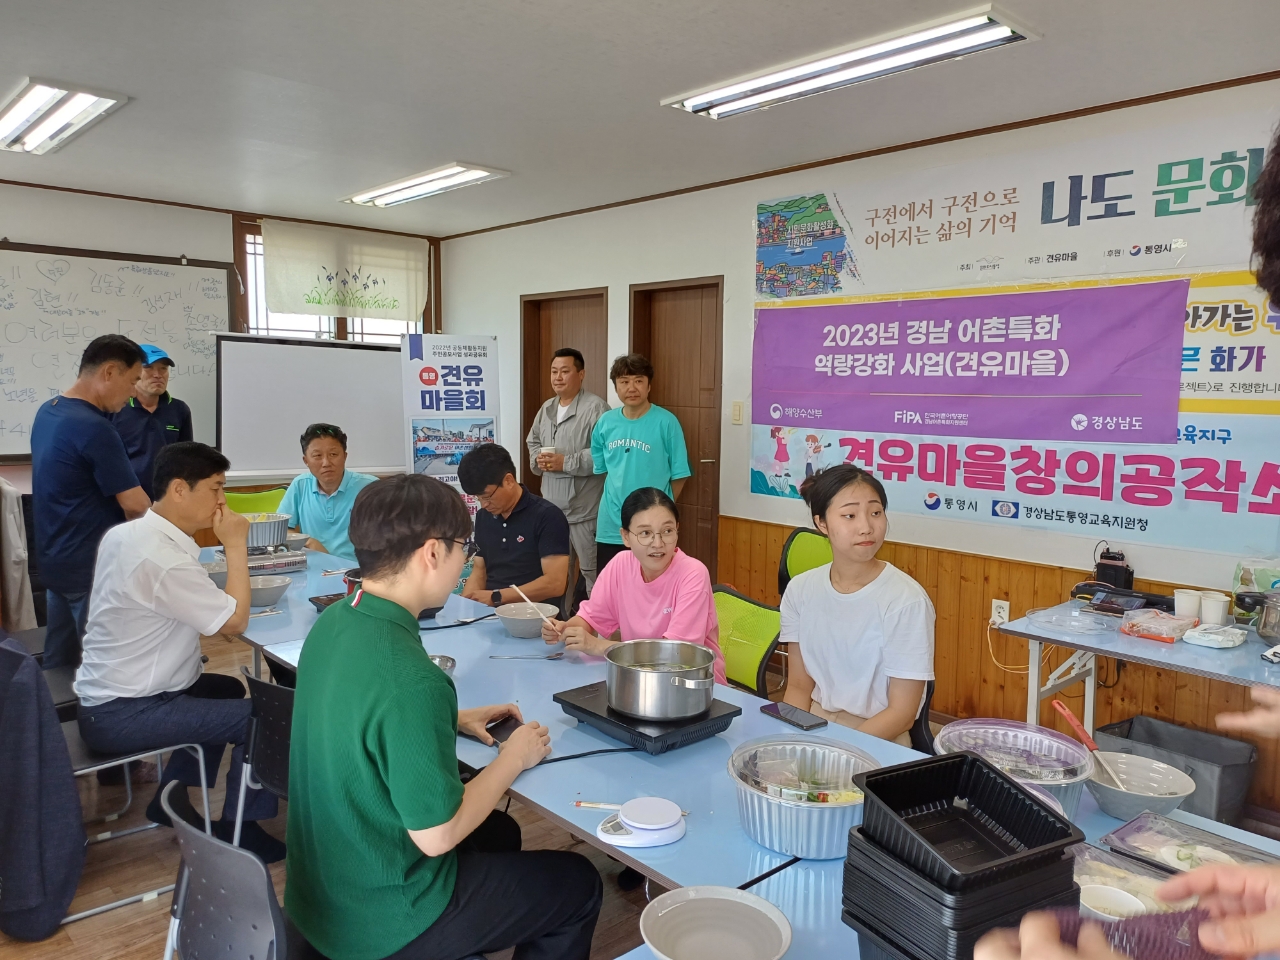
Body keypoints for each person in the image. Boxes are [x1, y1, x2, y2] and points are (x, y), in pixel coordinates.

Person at [285, 473, 602, 960]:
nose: (466, 560)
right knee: (578, 883)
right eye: (463, 546)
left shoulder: (335, 621)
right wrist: (513, 758)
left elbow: (356, 710)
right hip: (384, 916)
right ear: (432, 552)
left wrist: (450, 719)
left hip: (319, 894)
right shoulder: (413, 681)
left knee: (500, 832)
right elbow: (438, 837)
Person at [73, 442, 284, 861]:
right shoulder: (162, 559)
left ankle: (170, 797)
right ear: (179, 490)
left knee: (223, 689)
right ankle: (241, 828)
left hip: (107, 697)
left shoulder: (128, 533)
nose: (223, 502)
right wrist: (237, 545)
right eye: (216, 489)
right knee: (264, 717)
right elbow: (234, 625)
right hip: (125, 712)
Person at [779, 464, 934, 746]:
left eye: (876, 513)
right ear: (822, 523)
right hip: (814, 726)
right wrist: (787, 744)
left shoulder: (906, 600)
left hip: (879, 739)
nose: (866, 527)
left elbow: (901, 714)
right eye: (849, 515)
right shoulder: (800, 590)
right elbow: (800, 687)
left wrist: (837, 753)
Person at [32, 334, 151, 669]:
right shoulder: (94, 428)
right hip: (91, 571)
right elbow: (136, 504)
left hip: (56, 564)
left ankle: (48, 721)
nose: (133, 394)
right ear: (110, 372)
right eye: (132, 382)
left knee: (59, 665)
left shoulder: (49, 411)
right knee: (105, 670)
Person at [541, 487, 725, 683]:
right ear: (626, 537)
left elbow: (676, 656)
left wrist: (599, 646)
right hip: (639, 678)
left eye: (667, 531)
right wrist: (566, 629)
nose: (658, 543)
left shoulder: (693, 574)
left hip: (693, 685)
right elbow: (592, 618)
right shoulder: (621, 564)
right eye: (645, 533)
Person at [590, 353, 691, 573]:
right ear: (616, 387)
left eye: (638, 381)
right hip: (611, 524)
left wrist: (660, 508)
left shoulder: (666, 422)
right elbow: (603, 469)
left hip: (652, 527)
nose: (631, 387)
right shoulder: (605, 423)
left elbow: (680, 474)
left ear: (649, 385)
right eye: (624, 382)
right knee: (611, 590)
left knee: (652, 589)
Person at [525, 347, 610, 599]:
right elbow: (533, 441)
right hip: (551, 512)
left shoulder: (596, 409)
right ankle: (557, 626)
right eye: (554, 371)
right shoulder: (547, 408)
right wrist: (537, 459)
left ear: (581, 374)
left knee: (592, 575)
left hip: (585, 512)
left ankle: (597, 631)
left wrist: (566, 462)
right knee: (552, 576)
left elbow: (604, 455)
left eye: (565, 371)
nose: (558, 377)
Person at [457, 443, 570, 613]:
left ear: (509, 481)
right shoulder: (483, 517)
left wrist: (497, 597)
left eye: (487, 497)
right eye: (478, 498)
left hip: (535, 616)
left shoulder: (548, 516)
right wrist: (466, 608)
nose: (484, 505)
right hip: (489, 615)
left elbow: (554, 584)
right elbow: (480, 570)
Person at [278, 423, 378, 561]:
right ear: (306, 461)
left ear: (345, 456)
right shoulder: (300, 485)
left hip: (358, 572)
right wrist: (308, 542)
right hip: (314, 568)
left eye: (333, 454)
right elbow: (281, 531)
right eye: (317, 455)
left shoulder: (370, 487)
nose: (326, 462)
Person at [109, 344, 193, 499]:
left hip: (168, 500)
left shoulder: (179, 409)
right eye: (149, 368)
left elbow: (185, 459)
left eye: (163, 369)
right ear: (133, 372)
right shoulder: (116, 408)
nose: (157, 374)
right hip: (125, 500)